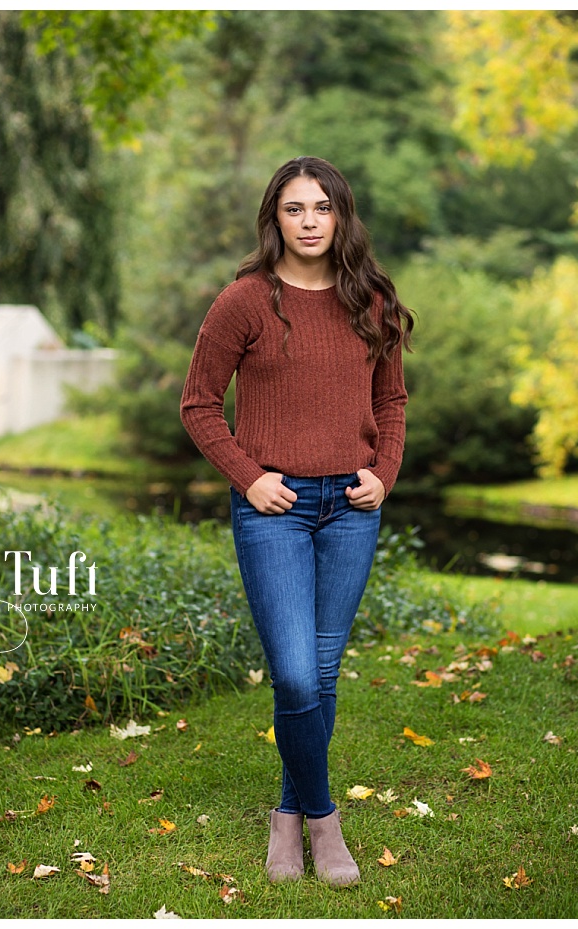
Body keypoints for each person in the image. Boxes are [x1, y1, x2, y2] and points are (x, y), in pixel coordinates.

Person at [180, 156, 412, 887]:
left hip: (350, 506)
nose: (309, 222)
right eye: (294, 209)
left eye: (321, 208)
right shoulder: (245, 301)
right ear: (273, 218)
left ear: (340, 214)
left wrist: (385, 472)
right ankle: (323, 818)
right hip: (273, 510)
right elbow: (197, 404)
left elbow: (393, 401)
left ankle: (287, 813)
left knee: (317, 670)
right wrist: (249, 480)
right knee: (291, 668)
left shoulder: (370, 299)